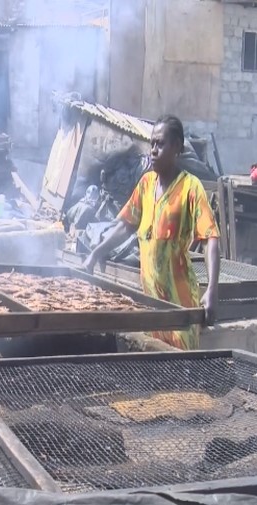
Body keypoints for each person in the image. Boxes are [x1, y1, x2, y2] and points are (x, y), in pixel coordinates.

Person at [84, 115, 220, 350]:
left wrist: (212, 290)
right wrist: (96, 252)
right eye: (152, 144)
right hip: (151, 305)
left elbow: (210, 238)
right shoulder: (146, 184)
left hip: (180, 307)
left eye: (160, 144)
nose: (153, 150)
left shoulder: (190, 187)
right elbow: (126, 225)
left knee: (181, 373)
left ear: (176, 146)